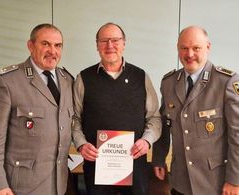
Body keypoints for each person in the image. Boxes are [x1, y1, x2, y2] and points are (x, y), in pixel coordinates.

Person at [0, 23, 74, 195]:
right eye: (45, 44)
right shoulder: (8, 81)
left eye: (57, 45)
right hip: (18, 187)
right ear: (30, 46)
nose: (52, 51)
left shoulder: (68, 81)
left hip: (59, 185)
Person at [72, 22, 162, 195]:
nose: (110, 46)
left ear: (124, 43)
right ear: (97, 45)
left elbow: (154, 118)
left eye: (115, 40)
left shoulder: (141, 76)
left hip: (135, 167)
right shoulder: (83, 78)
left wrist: (147, 141)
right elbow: (74, 119)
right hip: (97, 168)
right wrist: (81, 144)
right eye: (104, 41)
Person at [152, 25, 239, 195]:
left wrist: (235, 180)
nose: (189, 54)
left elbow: (237, 135)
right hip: (180, 180)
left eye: (196, 48)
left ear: (208, 47)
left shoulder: (226, 82)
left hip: (215, 183)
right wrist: (158, 158)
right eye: (184, 48)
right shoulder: (169, 83)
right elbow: (164, 123)